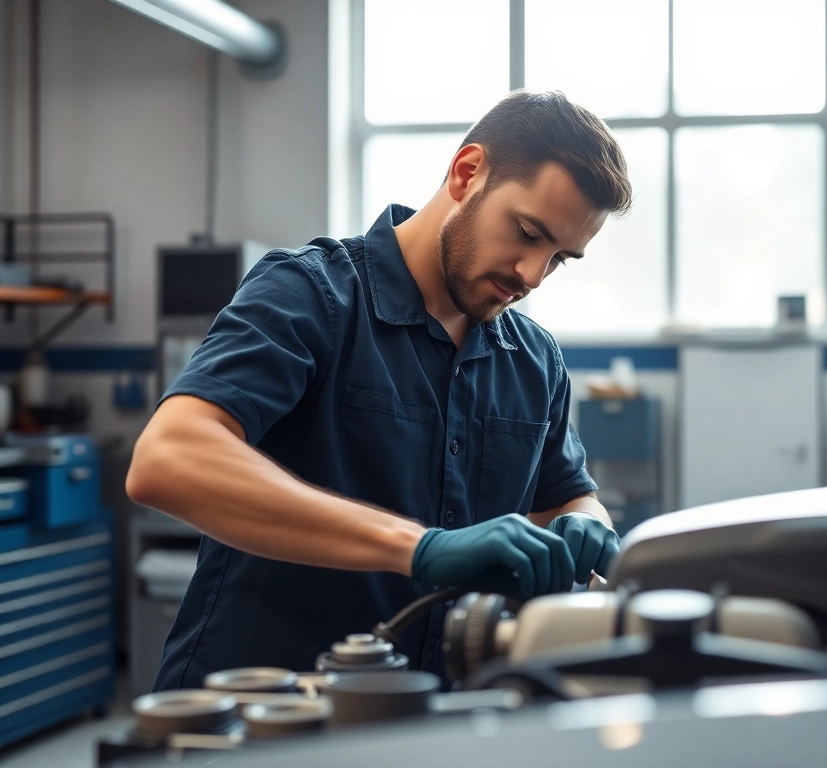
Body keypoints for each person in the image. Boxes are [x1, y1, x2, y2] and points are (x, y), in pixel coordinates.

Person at [127, 91, 630, 690]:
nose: (530, 276)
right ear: (468, 173)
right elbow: (167, 460)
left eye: (558, 260)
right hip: (264, 716)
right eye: (526, 232)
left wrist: (584, 520)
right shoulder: (312, 294)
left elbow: (563, 496)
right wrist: (422, 548)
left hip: (428, 721)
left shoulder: (535, 359)